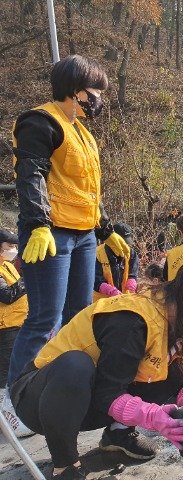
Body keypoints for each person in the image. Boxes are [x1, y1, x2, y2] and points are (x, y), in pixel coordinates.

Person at [10, 254, 183, 480]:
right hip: (39, 399)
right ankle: (65, 466)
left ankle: (118, 434)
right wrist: (151, 416)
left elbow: (174, 369)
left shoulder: (176, 319)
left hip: (88, 398)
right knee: (76, 365)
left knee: (155, 368)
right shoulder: (131, 321)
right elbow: (106, 393)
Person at [8, 55, 130, 393]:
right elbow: (30, 175)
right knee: (44, 317)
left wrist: (105, 231)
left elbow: (88, 189)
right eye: (95, 92)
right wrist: (38, 223)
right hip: (52, 234)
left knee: (79, 315)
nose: (99, 99)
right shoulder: (40, 122)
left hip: (84, 235)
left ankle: (63, 385)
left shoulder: (82, 133)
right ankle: (18, 394)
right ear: (76, 90)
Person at [0, 229, 32, 437]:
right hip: (5, 327)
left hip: (18, 323)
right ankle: (7, 416)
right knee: (6, 373)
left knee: (18, 368)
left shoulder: (7, 265)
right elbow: (7, 295)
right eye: (9, 246)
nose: (13, 249)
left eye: (14, 246)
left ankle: (15, 412)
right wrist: (27, 279)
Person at [93, 223, 139, 300]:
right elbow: (95, 280)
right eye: (122, 243)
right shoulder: (97, 254)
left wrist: (132, 281)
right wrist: (110, 291)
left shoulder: (131, 253)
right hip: (100, 301)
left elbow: (133, 274)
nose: (125, 246)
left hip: (123, 300)